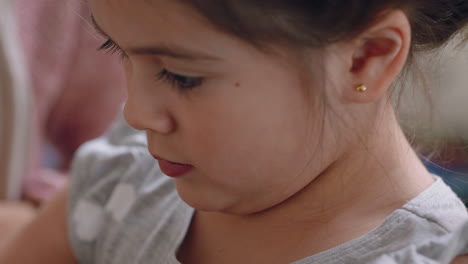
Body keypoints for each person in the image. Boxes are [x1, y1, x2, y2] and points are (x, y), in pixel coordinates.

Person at [1, 0, 468, 263]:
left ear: (365, 58)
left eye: (183, 77)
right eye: (116, 48)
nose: (138, 112)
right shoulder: (123, 186)